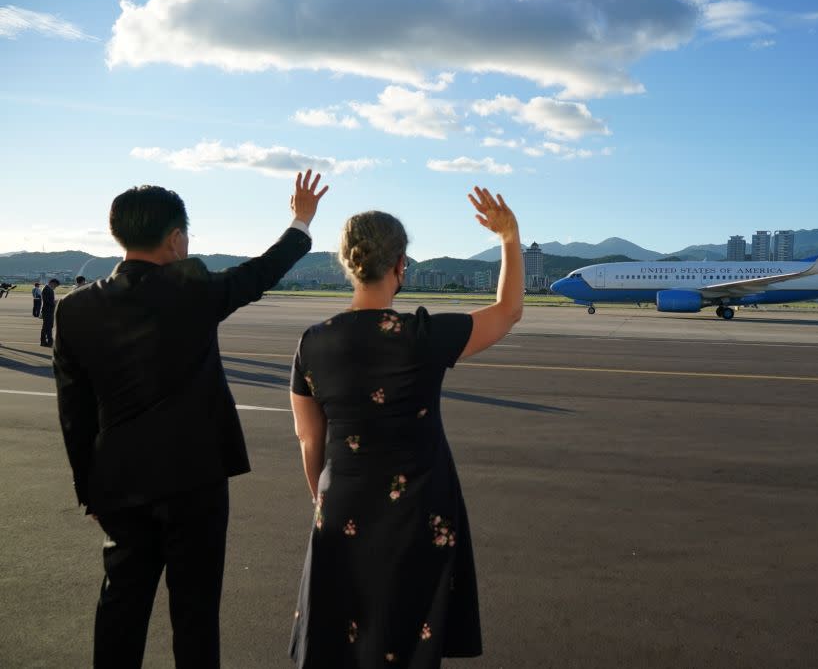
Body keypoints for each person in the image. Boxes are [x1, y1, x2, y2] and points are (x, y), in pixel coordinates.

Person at [53, 170, 329, 668]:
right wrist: (301, 220)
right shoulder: (193, 290)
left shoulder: (74, 311)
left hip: (120, 485)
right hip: (195, 481)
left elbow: (73, 412)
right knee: (195, 614)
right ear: (176, 238)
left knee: (120, 608)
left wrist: (88, 490)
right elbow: (259, 272)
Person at [288, 187, 523, 668]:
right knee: (407, 637)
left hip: (342, 503)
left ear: (348, 264)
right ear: (401, 265)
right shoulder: (421, 335)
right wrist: (509, 237)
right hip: (419, 510)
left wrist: (324, 497)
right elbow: (507, 311)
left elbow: (309, 438)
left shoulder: (312, 342)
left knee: (341, 638)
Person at [40, 278, 59, 346]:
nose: (55, 288)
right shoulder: (46, 289)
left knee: (47, 327)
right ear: (52, 283)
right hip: (47, 311)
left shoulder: (48, 289)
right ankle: (48, 341)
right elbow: (47, 301)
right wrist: (55, 302)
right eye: (55, 286)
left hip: (49, 310)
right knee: (47, 327)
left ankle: (45, 341)